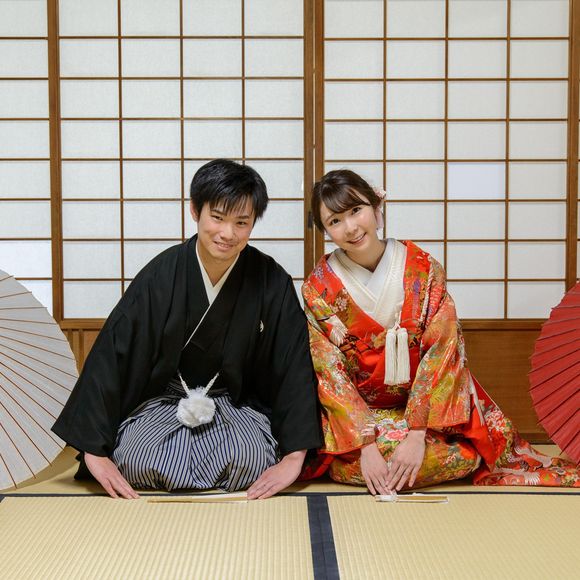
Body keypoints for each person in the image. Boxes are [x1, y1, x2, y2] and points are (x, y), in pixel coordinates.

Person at [53, 159, 322, 499]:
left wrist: (295, 456)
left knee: (251, 458)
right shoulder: (161, 275)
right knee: (136, 459)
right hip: (166, 402)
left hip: (232, 405)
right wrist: (94, 450)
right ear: (195, 210)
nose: (228, 233)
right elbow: (114, 354)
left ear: (253, 222)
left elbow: (292, 365)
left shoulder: (270, 280)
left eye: (241, 222)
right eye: (218, 217)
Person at [301, 169, 578, 492]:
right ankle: (392, 460)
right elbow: (329, 373)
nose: (350, 227)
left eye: (356, 210)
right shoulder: (319, 288)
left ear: (376, 207)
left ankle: (432, 453)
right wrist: (366, 446)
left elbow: (442, 350)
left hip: (425, 409)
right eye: (335, 221)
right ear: (325, 230)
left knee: (454, 452)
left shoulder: (422, 268)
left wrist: (416, 434)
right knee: (354, 464)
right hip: (367, 417)